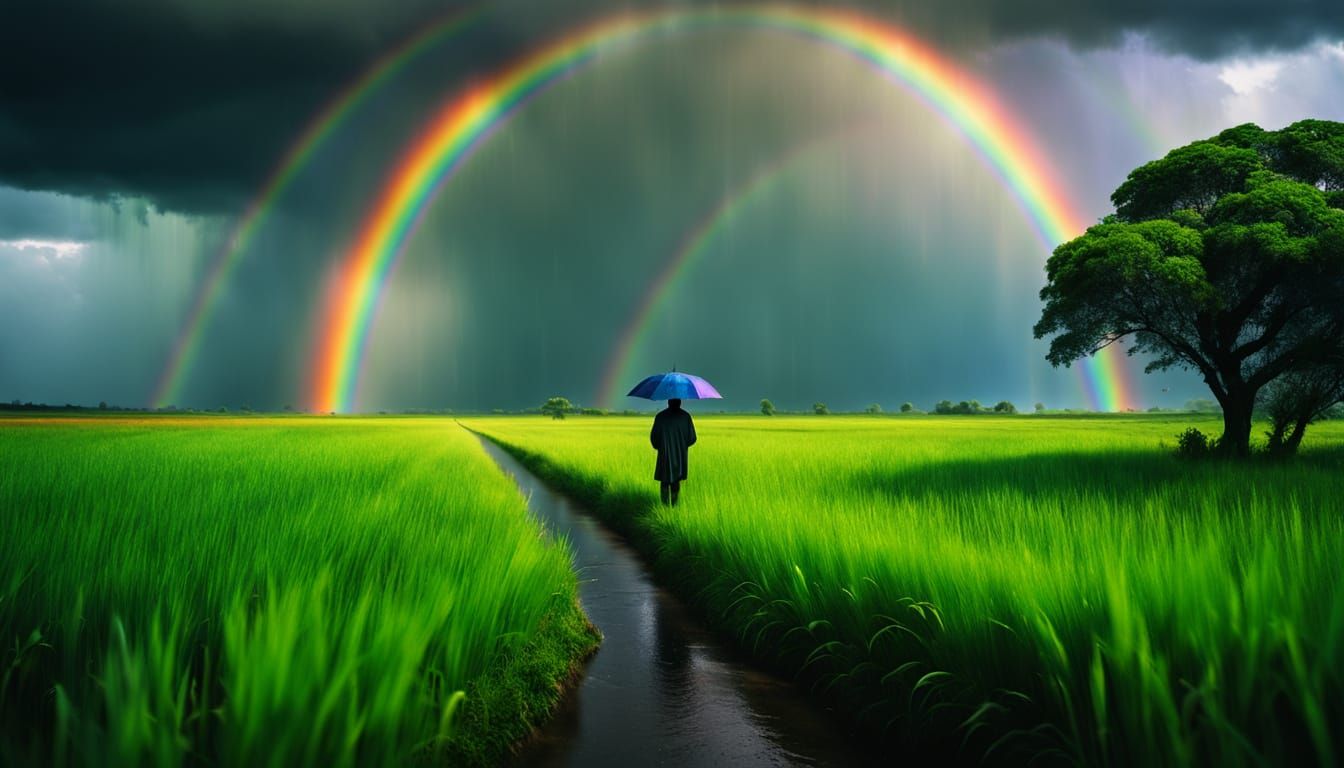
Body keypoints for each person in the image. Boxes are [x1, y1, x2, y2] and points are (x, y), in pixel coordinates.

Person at [650, 398, 696, 506]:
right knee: (676, 481)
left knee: (664, 482)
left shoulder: (660, 416)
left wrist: (660, 447)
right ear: (680, 403)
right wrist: (682, 446)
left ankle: (665, 508)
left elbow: (654, 438)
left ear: (668, 402)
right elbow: (692, 438)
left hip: (664, 455)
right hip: (680, 456)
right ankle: (674, 507)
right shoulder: (686, 416)